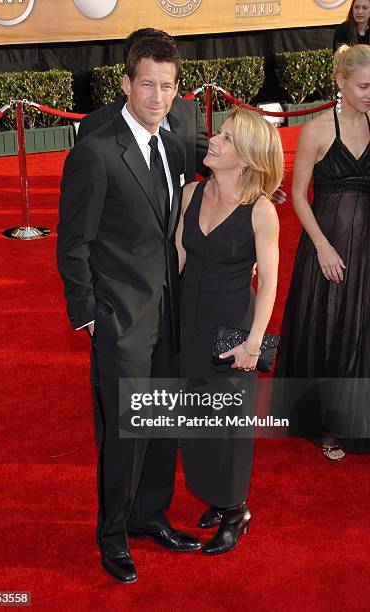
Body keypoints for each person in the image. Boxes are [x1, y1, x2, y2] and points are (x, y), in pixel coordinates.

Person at [57, 36, 201, 585]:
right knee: (125, 432)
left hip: (171, 309)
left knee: (162, 423)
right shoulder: (95, 151)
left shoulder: (181, 129)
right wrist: (91, 314)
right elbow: (73, 244)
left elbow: (224, 159)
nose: (157, 96)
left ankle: (150, 515)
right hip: (121, 318)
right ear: (125, 84)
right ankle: (112, 533)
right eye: (147, 83)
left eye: (167, 85)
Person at [175, 107, 283, 554]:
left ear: (246, 157)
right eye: (218, 132)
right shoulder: (190, 194)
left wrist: (255, 343)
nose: (212, 140)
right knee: (197, 416)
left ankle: (237, 508)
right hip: (187, 321)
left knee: (230, 425)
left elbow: (271, 282)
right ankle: (217, 498)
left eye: (224, 137)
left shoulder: (260, 212)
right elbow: (177, 260)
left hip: (233, 331)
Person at [274, 44, 370, 458]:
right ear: (341, 82)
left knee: (363, 329)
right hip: (327, 240)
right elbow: (298, 196)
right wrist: (322, 246)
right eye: (364, 85)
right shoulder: (315, 130)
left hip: (367, 243)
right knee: (331, 327)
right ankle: (328, 423)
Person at [78, 28, 209, 182]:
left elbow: (210, 164)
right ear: (127, 80)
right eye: (147, 84)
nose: (157, 98)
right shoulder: (95, 126)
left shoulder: (189, 113)